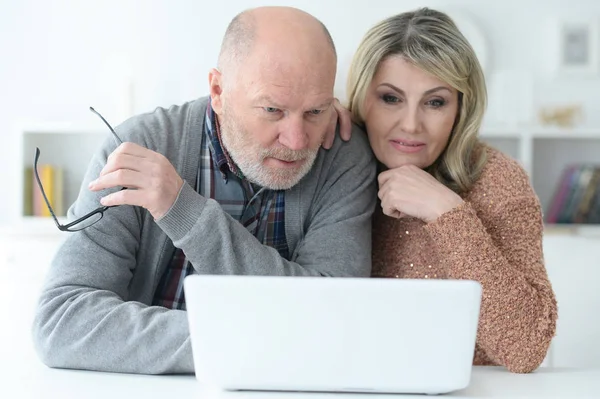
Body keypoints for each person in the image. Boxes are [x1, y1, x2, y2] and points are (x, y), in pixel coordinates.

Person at [31, 6, 377, 375]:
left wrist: (183, 210)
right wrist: (248, 343)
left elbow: (335, 314)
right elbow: (62, 319)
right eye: (273, 110)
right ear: (218, 90)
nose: (296, 141)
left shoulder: (341, 155)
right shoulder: (140, 146)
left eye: (314, 112)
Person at [341, 8, 557, 374]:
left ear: (460, 108)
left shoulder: (497, 180)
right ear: (362, 98)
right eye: (390, 98)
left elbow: (527, 347)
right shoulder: (336, 169)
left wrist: (447, 212)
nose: (411, 125)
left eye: (435, 102)